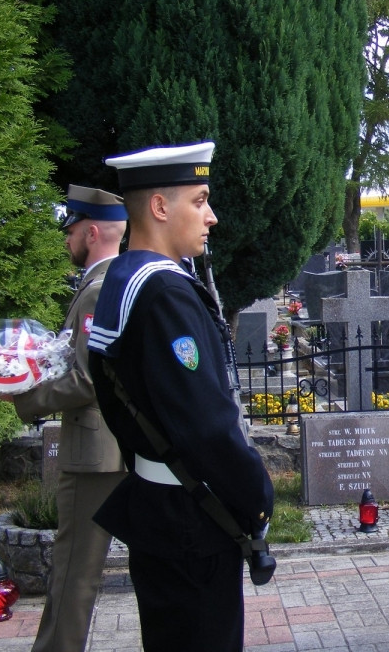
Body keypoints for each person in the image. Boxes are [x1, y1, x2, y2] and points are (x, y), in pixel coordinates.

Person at [86, 141, 274, 652]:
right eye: (200, 200)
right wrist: (256, 496)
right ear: (159, 207)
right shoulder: (165, 293)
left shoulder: (125, 276)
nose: (211, 216)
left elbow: (115, 398)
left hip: (160, 500)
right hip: (192, 514)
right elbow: (207, 425)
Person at [10, 185, 128, 652]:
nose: (67, 238)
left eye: (72, 229)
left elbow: (87, 380)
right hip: (111, 449)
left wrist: (24, 395)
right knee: (78, 570)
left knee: (74, 572)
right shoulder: (113, 282)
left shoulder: (98, 290)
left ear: (92, 232)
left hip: (94, 455)